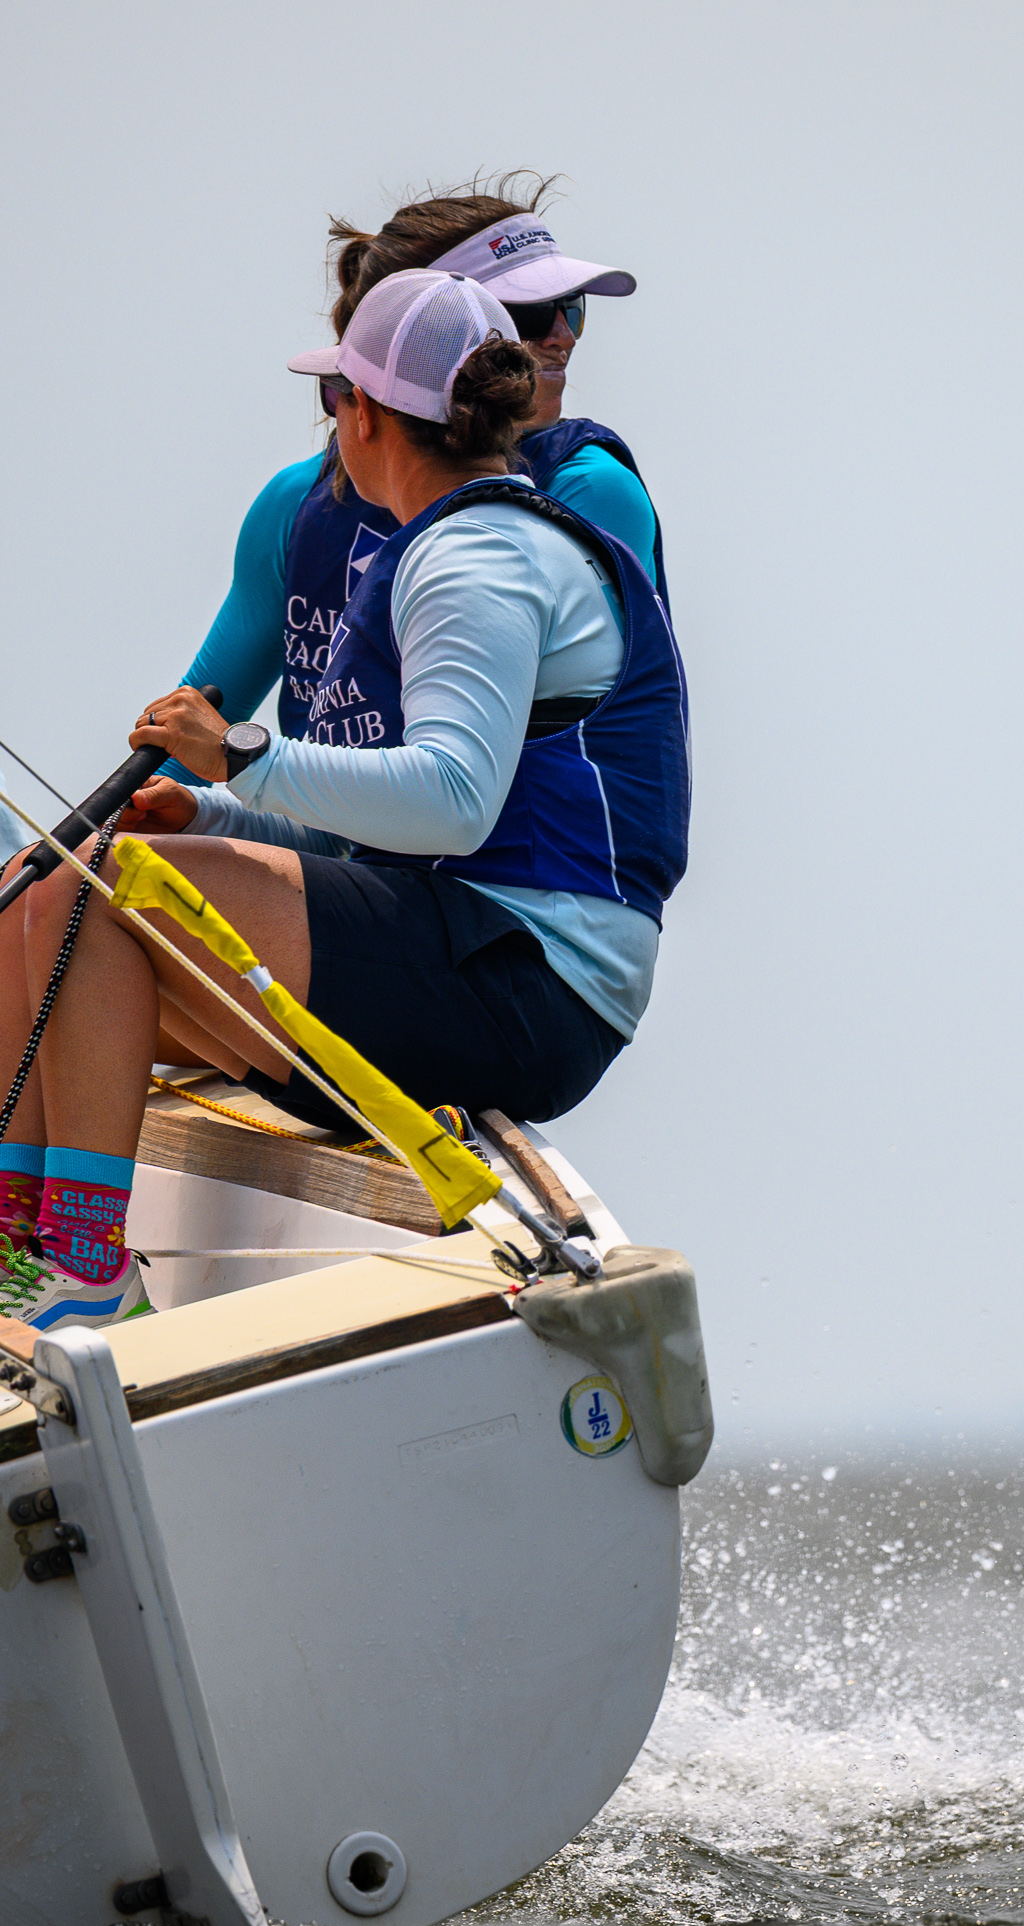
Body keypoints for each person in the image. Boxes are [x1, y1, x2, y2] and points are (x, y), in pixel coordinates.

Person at [0, 272, 688, 1334]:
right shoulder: (447, 543)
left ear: (363, 414)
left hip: (533, 980)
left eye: (335, 399)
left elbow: (451, 803)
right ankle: (21, 1257)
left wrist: (237, 755)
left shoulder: (478, 554)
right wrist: (214, 816)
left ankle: (85, 1274)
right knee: (39, 899)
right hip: (469, 947)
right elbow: (362, 824)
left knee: (85, 898)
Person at [178, 178, 666, 759]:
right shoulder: (294, 503)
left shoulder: (589, 490)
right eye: (534, 314)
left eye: (574, 309)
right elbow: (199, 729)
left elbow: (458, 785)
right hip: (331, 816)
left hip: (482, 822)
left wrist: (254, 769)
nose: (565, 336)